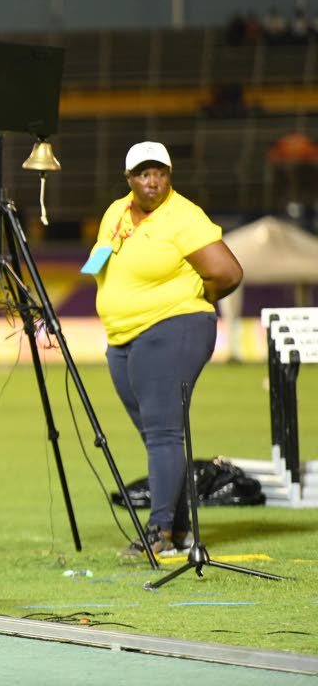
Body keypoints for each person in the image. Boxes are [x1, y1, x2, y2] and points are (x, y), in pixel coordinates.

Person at [86, 141, 243, 559]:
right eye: (143, 174)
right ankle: (179, 528)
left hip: (173, 327)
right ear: (129, 179)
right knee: (155, 435)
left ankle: (159, 534)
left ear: (169, 175)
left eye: (160, 173)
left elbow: (228, 273)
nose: (152, 181)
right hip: (124, 336)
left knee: (163, 433)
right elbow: (98, 263)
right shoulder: (117, 213)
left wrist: (192, 300)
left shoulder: (183, 217)